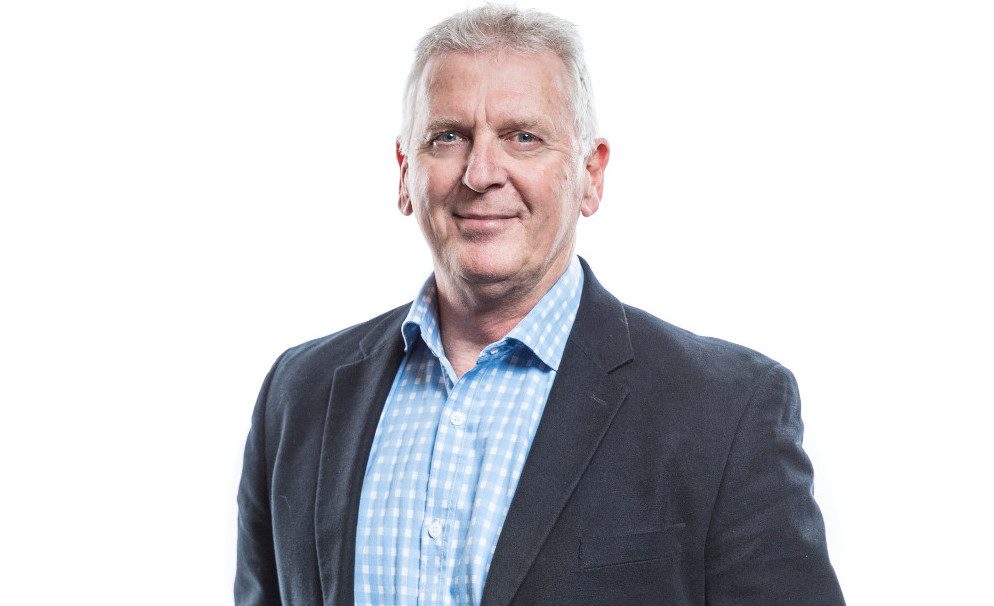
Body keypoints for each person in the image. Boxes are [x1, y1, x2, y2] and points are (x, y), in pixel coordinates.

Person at [235, 5, 844, 605]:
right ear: (404, 173)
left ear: (590, 175)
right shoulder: (298, 393)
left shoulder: (726, 411)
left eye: (523, 138)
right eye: (448, 137)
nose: (480, 173)